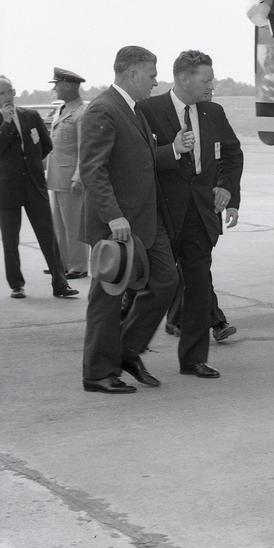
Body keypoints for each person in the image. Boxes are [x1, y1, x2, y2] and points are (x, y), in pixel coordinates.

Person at [79, 46, 178, 392]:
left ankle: (126, 352)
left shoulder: (134, 110)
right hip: (117, 226)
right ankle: (97, 373)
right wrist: (113, 216)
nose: (155, 82)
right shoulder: (103, 110)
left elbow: (141, 161)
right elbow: (94, 169)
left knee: (165, 282)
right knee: (107, 297)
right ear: (133, 73)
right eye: (152, 75)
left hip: (147, 222)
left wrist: (174, 150)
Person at [139, 50, 243, 379]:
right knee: (154, 286)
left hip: (200, 215)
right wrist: (171, 152)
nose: (211, 84)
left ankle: (194, 359)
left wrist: (227, 189)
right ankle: (127, 348)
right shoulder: (148, 110)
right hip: (162, 215)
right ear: (184, 79)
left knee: (199, 288)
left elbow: (233, 153)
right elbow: (139, 161)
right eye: (206, 79)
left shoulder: (213, 112)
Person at [0, 75, 78, 301]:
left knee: (47, 235)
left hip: (34, 185)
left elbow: (46, 146)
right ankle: (17, 285)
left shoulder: (31, 116)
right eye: (2, 93)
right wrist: (5, 124)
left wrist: (32, 166)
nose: (7, 97)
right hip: (7, 189)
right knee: (10, 239)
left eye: (9, 92)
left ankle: (59, 283)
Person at [46, 67, 90, 279]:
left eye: (57, 84)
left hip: (71, 177)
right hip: (57, 175)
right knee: (60, 223)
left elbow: (84, 148)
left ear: (69, 86)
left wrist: (79, 176)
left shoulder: (81, 112)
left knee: (74, 224)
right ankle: (62, 262)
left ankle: (79, 266)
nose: (55, 88)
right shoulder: (62, 109)